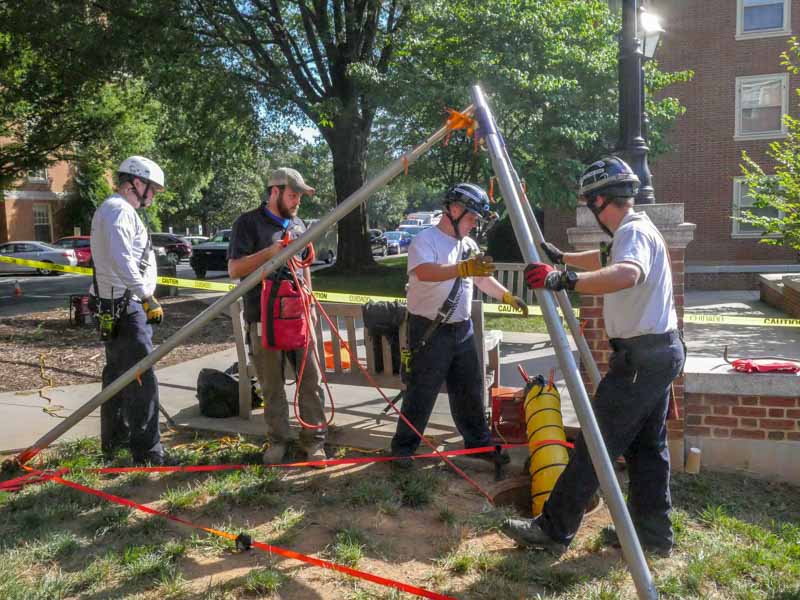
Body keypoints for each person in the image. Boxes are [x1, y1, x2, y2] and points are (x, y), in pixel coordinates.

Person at [502, 156, 685, 556]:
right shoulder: (637, 230)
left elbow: (627, 273)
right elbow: (606, 260)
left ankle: (553, 530)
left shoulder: (633, 233)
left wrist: (564, 280)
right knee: (648, 449)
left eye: (590, 202)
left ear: (602, 200)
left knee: (595, 444)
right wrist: (561, 258)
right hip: (658, 353)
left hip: (641, 360)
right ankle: (654, 538)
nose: (590, 209)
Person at [390, 183, 529, 469]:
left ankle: (478, 444)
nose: (474, 224)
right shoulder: (425, 241)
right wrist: (462, 268)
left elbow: (480, 279)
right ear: (453, 210)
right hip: (430, 329)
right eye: (471, 218)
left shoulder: (468, 245)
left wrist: (506, 295)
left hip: (462, 330)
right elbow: (424, 272)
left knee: (469, 389)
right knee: (421, 392)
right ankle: (402, 450)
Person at [228, 167, 326, 464]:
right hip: (263, 317)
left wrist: (309, 299)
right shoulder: (247, 224)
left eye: (299, 196)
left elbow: (304, 264)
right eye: (293, 195)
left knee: (311, 381)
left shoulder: (299, 224)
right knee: (271, 385)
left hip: (298, 316)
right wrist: (270, 252)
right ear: (274, 191)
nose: (297, 202)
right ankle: (278, 442)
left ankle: (314, 443)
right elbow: (234, 270)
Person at [91, 155, 167, 465]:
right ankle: (148, 453)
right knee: (140, 379)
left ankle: (115, 444)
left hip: (117, 305)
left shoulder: (113, 210)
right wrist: (146, 297)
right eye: (152, 189)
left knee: (118, 377)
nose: (153, 196)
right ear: (136, 182)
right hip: (127, 307)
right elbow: (123, 261)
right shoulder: (118, 211)